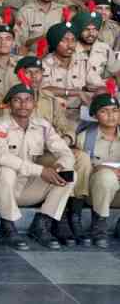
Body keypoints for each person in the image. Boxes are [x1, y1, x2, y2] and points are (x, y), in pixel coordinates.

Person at [0, 72, 75, 250]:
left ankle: (42, 224)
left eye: (28, 100)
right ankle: (7, 227)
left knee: (69, 175)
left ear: (34, 104)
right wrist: (41, 171)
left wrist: (59, 166)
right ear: (9, 104)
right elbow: (2, 157)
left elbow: (66, 153)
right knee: (6, 170)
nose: (23, 104)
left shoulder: (42, 126)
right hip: (2, 191)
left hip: (30, 187)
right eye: (17, 100)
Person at [78, 87, 120, 247]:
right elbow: (82, 168)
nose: (111, 115)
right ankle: (99, 224)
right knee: (106, 177)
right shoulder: (85, 137)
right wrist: (102, 168)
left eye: (115, 110)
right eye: (104, 111)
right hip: (97, 191)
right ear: (95, 115)